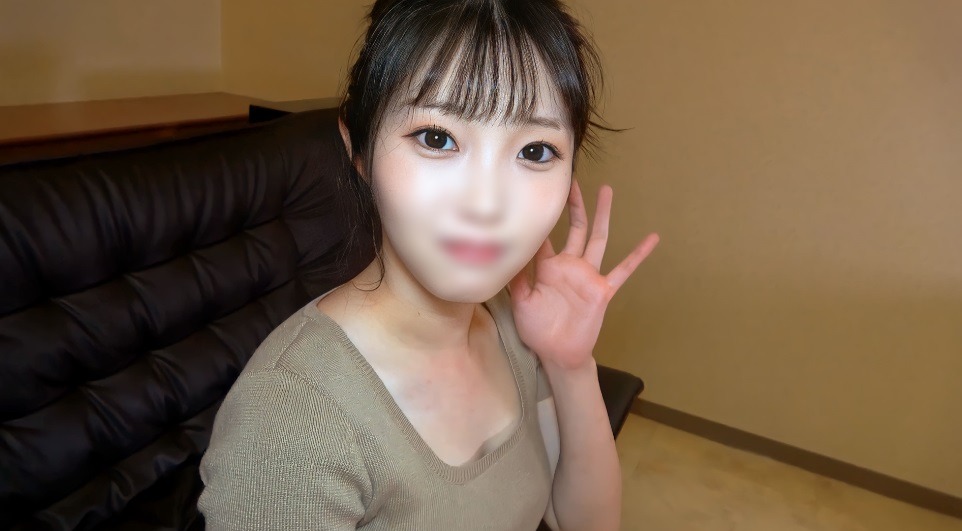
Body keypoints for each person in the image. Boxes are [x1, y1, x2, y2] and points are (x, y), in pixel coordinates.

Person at [198, 0, 659, 529]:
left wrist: (571, 366)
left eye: (535, 151)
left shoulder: (512, 320)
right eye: (437, 138)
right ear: (359, 148)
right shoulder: (289, 423)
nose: (487, 205)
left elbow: (578, 520)